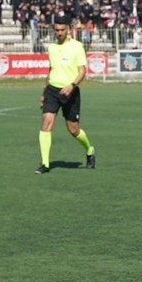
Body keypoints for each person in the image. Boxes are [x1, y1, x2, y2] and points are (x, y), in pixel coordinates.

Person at [36, 18, 96, 174]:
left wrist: (72, 86)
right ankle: (45, 164)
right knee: (46, 123)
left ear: (68, 29)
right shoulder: (52, 48)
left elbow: (82, 70)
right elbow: (51, 70)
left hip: (71, 92)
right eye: (57, 30)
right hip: (52, 91)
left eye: (62, 30)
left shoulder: (77, 46)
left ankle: (89, 150)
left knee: (73, 130)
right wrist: (44, 92)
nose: (59, 33)